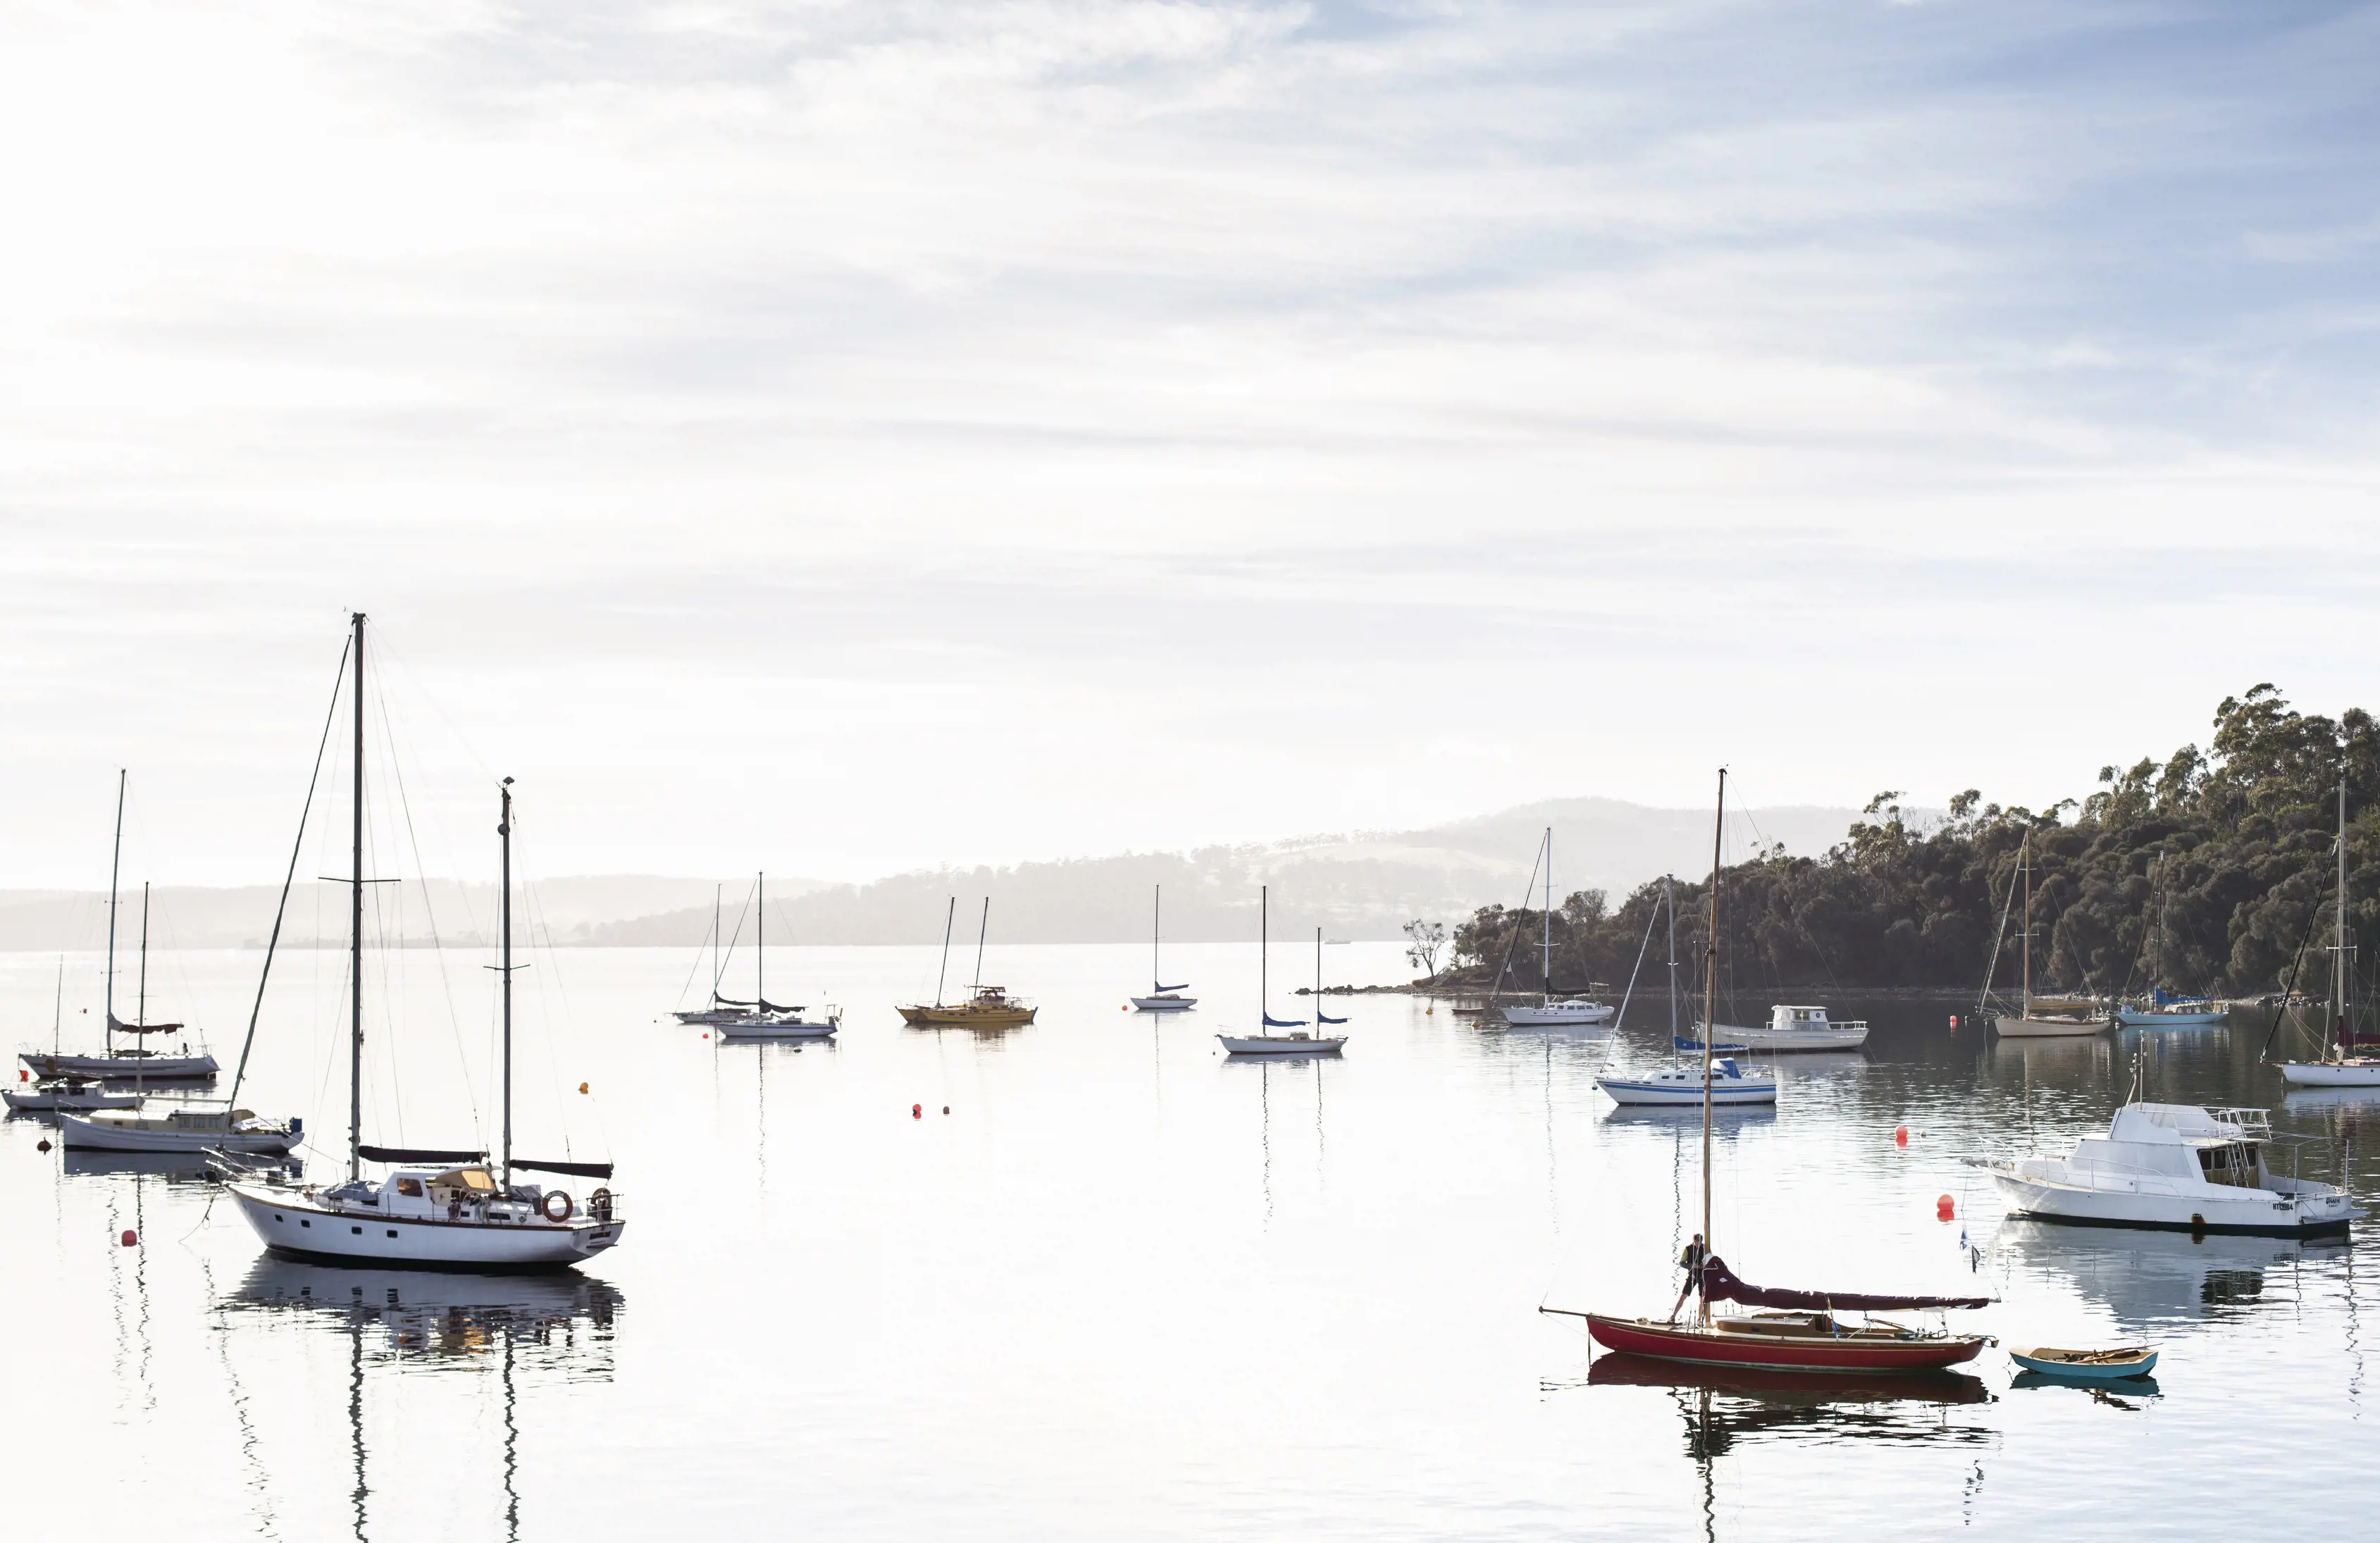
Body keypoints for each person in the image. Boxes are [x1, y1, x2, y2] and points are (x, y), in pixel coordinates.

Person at [1669, 1233, 1709, 1321]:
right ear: (1693, 1240)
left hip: (1703, 1276)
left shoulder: (1705, 1248)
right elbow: (1682, 1263)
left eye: (1700, 1242)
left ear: (1702, 1241)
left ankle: (1699, 1319)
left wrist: (1705, 1264)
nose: (1698, 1244)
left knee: (1702, 1298)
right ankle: (1673, 1316)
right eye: (1696, 1242)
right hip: (1693, 1275)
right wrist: (1692, 1265)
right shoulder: (1688, 1249)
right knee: (1683, 1296)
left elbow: (1711, 1259)